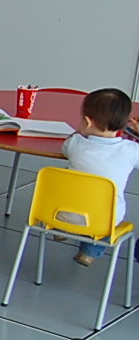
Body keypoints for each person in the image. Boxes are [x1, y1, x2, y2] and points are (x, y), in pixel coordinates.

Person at [61, 87, 139, 266]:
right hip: (103, 220)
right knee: (106, 216)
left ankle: (60, 228)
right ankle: (88, 252)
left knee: (72, 180)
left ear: (87, 121)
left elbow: (65, 148)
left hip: (59, 212)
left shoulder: (75, 143)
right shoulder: (131, 150)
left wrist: (79, 133)